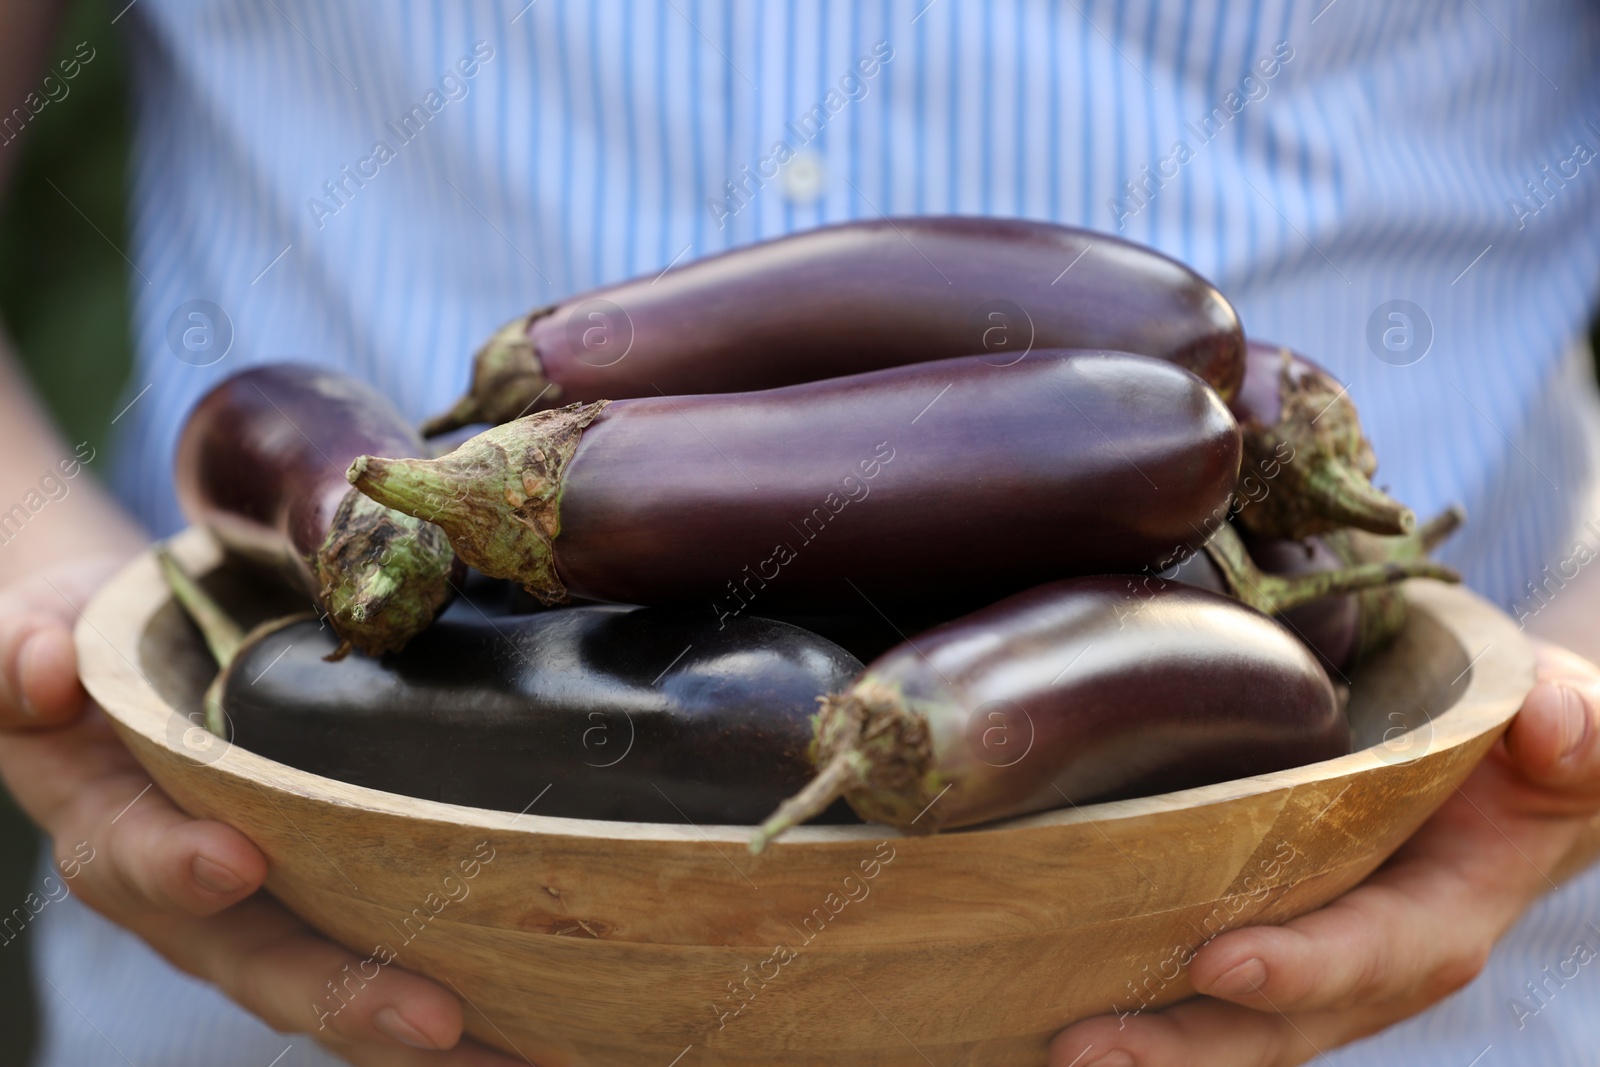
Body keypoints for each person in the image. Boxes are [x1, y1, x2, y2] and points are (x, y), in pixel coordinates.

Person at [2, 2, 1599, 1064]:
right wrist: (37, 594)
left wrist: (1576, 700)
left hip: (1401, 968)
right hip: (301, 945)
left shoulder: (1188, 419)